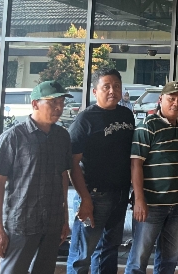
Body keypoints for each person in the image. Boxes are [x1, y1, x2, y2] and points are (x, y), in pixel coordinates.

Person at [0, 81, 72, 274]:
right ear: (35, 104)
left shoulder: (62, 136)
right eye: (53, 102)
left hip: (52, 222)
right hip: (21, 223)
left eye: (61, 102)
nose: (59, 108)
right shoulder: (13, 137)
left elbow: (63, 176)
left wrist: (64, 218)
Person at [67, 68, 135, 274]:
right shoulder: (85, 119)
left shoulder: (127, 114)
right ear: (95, 91)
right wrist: (84, 198)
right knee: (81, 256)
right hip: (94, 196)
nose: (112, 90)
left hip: (120, 194)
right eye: (106, 87)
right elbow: (72, 164)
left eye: (116, 86)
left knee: (109, 250)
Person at [125, 82, 178, 274]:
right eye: (171, 99)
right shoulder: (148, 126)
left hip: (176, 205)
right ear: (160, 100)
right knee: (139, 258)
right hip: (151, 204)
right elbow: (136, 164)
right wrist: (139, 199)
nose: (176, 103)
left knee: (170, 257)